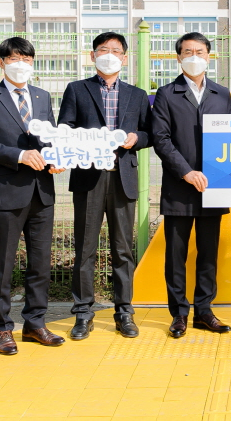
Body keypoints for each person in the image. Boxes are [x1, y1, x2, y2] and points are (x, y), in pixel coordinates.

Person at [0, 37, 66, 355]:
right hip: (7, 192)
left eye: (27, 59)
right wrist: (20, 156)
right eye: (14, 59)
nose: (20, 64)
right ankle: (2, 329)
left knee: (40, 263)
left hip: (42, 191)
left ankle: (35, 324)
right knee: (3, 264)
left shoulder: (42, 96)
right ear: (1, 63)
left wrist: (55, 158)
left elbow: (50, 137)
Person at [57, 32, 152, 341]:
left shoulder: (137, 95)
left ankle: (124, 311)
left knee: (123, 249)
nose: (109, 55)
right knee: (85, 248)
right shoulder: (77, 90)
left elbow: (149, 131)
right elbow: (66, 129)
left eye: (115, 51)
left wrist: (136, 138)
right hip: (88, 176)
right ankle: (83, 313)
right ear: (92, 55)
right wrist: (83, 144)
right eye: (103, 50)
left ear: (124, 58)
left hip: (123, 177)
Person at [151, 31, 231, 339]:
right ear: (178, 57)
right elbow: (161, 139)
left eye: (200, 51)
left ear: (209, 56)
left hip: (214, 187)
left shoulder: (222, 94)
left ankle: (204, 311)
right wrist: (186, 172)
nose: (194, 57)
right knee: (176, 254)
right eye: (188, 52)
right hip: (179, 188)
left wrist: (226, 175)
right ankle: (179, 314)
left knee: (208, 253)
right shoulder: (166, 94)